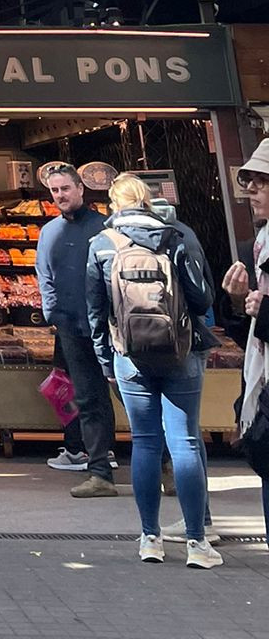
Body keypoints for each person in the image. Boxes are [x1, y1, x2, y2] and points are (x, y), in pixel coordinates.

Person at [86, 170, 221, 568]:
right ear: (147, 199)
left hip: (129, 355)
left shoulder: (102, 244)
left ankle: (150, 538)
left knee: (145, 442)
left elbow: (94, 309)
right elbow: (200, 300)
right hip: (180, 352)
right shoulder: (175, 236)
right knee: (186, 443)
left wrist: (106, 359)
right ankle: (197, 543)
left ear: (113, 205)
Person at [34, 162, 116, 496]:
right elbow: (45, 276)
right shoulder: (49, 232)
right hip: (71, 328)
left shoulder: (104, 227)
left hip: (108, 327)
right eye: (54, 191)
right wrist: (53, 312)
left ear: (81, 188)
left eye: (65, 189)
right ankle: (99, 472)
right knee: (88, 397)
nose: (60, 196)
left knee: (130, 397)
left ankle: (163, 465)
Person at [223, 136, 269, 538]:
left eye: (262, 181)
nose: (251, 190)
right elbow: (253, 338)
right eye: (249, 181)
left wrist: (263, 310)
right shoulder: (259, 245)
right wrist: (240, 307)